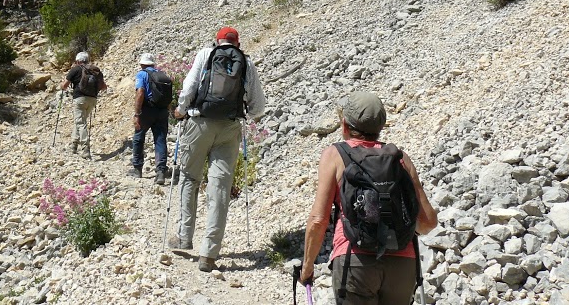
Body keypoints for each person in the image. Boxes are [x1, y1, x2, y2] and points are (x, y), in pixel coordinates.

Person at [299, 91, 438, 304]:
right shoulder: (399, 158)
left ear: (344, 124)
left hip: (354, 261)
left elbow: (319, 220)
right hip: (402, 264)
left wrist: (307, 268)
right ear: (381, 126)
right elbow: (428, 221)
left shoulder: (335, 155)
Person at [168, 26, 266, 272]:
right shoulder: (246, 63)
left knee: (189, 178)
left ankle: (183, 236)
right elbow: (258, 107)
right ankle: (209, 254)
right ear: (237, 43)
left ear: (218, 41)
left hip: (199, 124)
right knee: (220, 189)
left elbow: (189, 88)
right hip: (230, 129)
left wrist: (181, 110)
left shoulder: (205, 54)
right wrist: (243, 115)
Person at [129, 53, 169, 184]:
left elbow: (140, 92)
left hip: (147, 110)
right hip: (162, 111)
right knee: (160, 140)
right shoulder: (163, 75)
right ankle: (161, 172)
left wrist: (137, 113)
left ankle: (137, 168)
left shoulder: (141, 74)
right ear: (153, 64)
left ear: (142, 64)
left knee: (139, 138)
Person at [59, 51, 107, 160]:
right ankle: (74, 146)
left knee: (81, 123)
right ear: (88, 60)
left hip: (79, 99)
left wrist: (61, 85)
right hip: (92, 99)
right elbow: (104, 87)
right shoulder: (96, 71)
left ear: (78, 61)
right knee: (80, 121)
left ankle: (86, 149)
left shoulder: (75, 69)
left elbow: (65, 85)